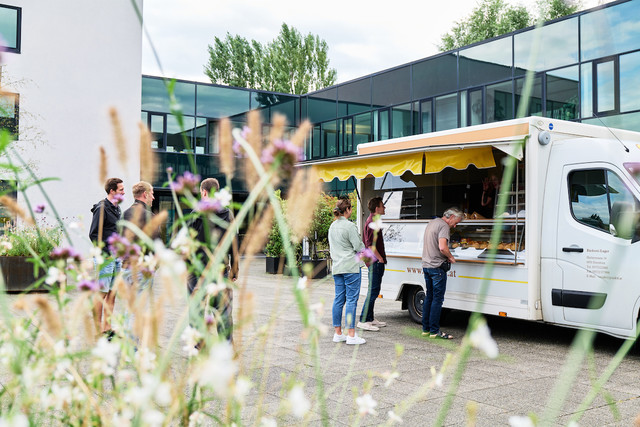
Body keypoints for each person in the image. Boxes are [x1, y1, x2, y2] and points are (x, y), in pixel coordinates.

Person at [187, 178, 238, 342]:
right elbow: (234, 242)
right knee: (223, 310)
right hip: (220, 269)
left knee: (197, 310)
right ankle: (226, 347)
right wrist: (235, 267)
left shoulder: (196, 213)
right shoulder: (228, 213)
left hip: (197, 270)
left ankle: (198, 347)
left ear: (203, 192)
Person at [89, 177, 125, 337]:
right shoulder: (101, 208)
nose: (124, 192)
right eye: (121, 189)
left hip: (117, 258)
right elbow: (94, 234)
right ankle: (97, 329)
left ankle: (107, 327)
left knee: (112, 293)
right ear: (112, 191)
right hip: (106, 258)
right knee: (101, 293)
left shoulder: (117, 209)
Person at [421, 207, 464, 339]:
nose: (455, 225)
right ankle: (435, 331)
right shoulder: (444, 226)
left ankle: (426, 329)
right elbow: (442, 247)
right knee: (437, 300)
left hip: (426, 265)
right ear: (450, 217)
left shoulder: (432, 223)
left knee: (429, 297)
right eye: (455, 222)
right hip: (437, 267)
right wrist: (450, 257)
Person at [329, 196, 366, 345]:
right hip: (351, 267)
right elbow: (358, 247)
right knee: (351, 300)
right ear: (348, 210)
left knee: (339, 299)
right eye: (351, 209)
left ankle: (338, 333)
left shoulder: (332, 226)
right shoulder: (350, 226)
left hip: (337, 267)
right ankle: (351, 335)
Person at [121, 181, 156, 338]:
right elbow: (157, 246)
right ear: (145, 194)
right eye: (152, 194)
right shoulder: (150, 217)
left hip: (126, 267)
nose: (153, 197)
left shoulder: (124, 214)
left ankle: (127, 347)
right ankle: (134, 349)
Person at [357, 196, 387, 332]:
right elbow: (370, 246)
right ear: (377, 208)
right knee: (372, 291)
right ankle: (363, 320)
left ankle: (370, 318)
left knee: (374, 290)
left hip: (374, 261)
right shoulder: (371, 222)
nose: (384, 208)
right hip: (375, 261)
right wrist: (380, 258)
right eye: (382, 205)